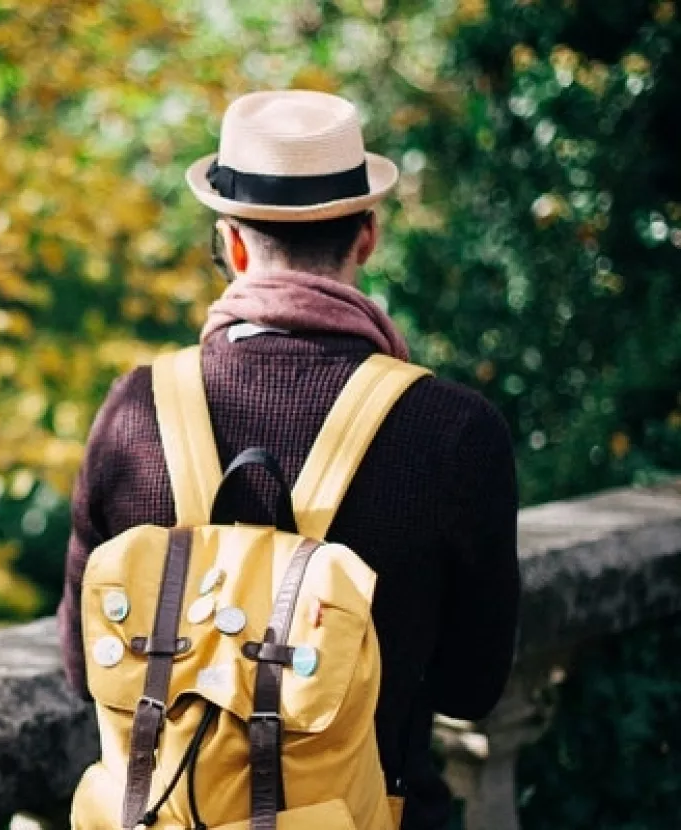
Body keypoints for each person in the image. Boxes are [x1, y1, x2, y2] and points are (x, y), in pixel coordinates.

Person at [56, 90, 521, 829]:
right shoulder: (453, 431)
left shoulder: (135, 410)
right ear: (366, 236)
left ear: (231, 245)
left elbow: (86, 674)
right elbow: (472, 688)